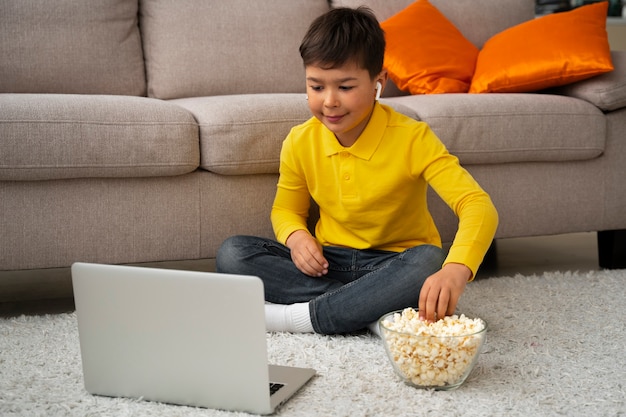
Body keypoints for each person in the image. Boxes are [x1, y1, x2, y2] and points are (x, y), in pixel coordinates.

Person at [216, 7, 498, 335]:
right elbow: (286, 210)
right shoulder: (299, 140)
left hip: (395, 263)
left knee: (430, 262)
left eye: (345, 87)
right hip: (328, 262)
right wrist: (297, 238)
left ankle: (299, 318)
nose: (330, 101)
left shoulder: (413, 137)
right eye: (316, 87)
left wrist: (456, 269)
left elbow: (478, 205)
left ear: (378, 83)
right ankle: (372, 312)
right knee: (233, 254)